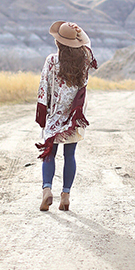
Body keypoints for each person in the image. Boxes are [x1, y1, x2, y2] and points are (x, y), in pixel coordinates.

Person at [35, 21, 98, 212]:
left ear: (58, 43)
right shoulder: (84, 62)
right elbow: (87, 45)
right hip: (73, 117)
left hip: (55, 114)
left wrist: (43, 112)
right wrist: (78, 32)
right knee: (70, 154)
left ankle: (47, 190)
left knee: (50, 152)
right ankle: (66, 195)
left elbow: (43, 87)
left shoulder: (51, 61)